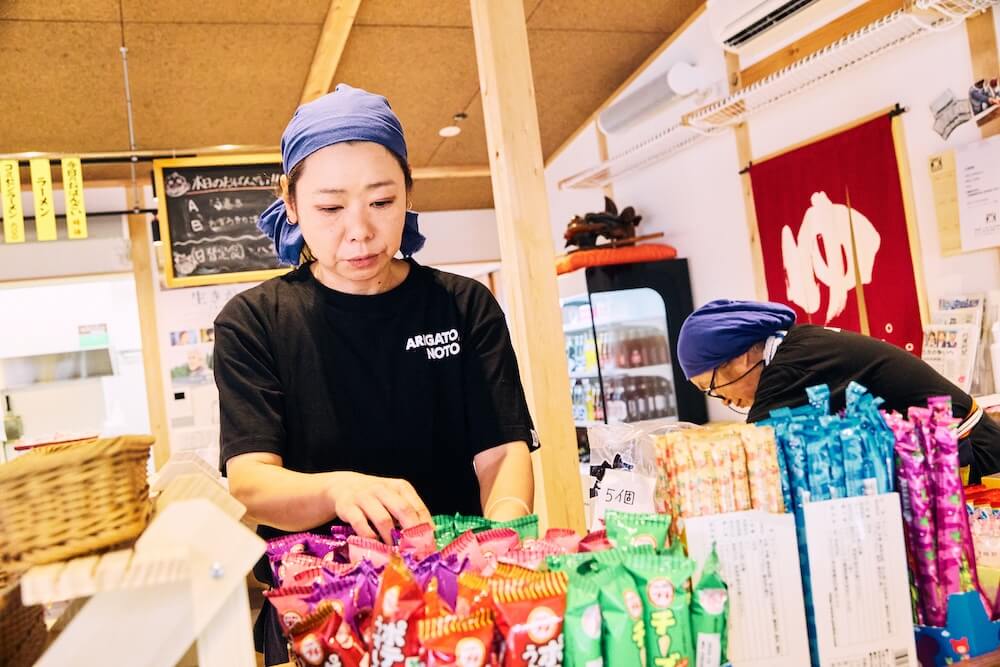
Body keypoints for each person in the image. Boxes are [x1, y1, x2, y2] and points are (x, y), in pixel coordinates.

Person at [213, 84, 536, 663]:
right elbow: (251, 483)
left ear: (407, 192)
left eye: (382, 202)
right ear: (291, 203)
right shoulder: (255, 322)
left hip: (451, 604)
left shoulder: (463, 306)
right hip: (319, 616)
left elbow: (502, 452)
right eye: (330, 208)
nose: (360, 230)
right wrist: (337, 489)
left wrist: (500, 544)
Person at [676, 299, 1000, 483]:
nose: (723, 399)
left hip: (973, 457)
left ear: (741, 356)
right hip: (950, 455)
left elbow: (756, 462)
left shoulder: (790, 368)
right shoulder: (796, 345)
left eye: (712, 385)